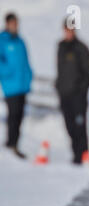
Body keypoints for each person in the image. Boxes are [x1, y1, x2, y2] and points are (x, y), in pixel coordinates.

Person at [55, 18, 89, 165]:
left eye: (71, 29)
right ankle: (76, 154)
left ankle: (82, 155)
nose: (69, 32)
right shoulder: (60, 47)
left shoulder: (81, 48)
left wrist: (81, 89)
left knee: (80, 126)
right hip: (64, 94)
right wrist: (58, 86)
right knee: (69, 125)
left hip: (78, 96)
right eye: (66, 29)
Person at [0, 13, 32, 159]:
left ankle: (15, 144)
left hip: (22, 86)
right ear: (7, 24)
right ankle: (10, 144)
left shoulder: (20, 41)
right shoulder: (2, 41)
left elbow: (25, 62)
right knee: (13, 116)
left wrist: (29, 76)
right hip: (11, 86)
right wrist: (9, 72)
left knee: (19, 116)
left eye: (16, 23)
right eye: (12, 23)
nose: (15, 26)